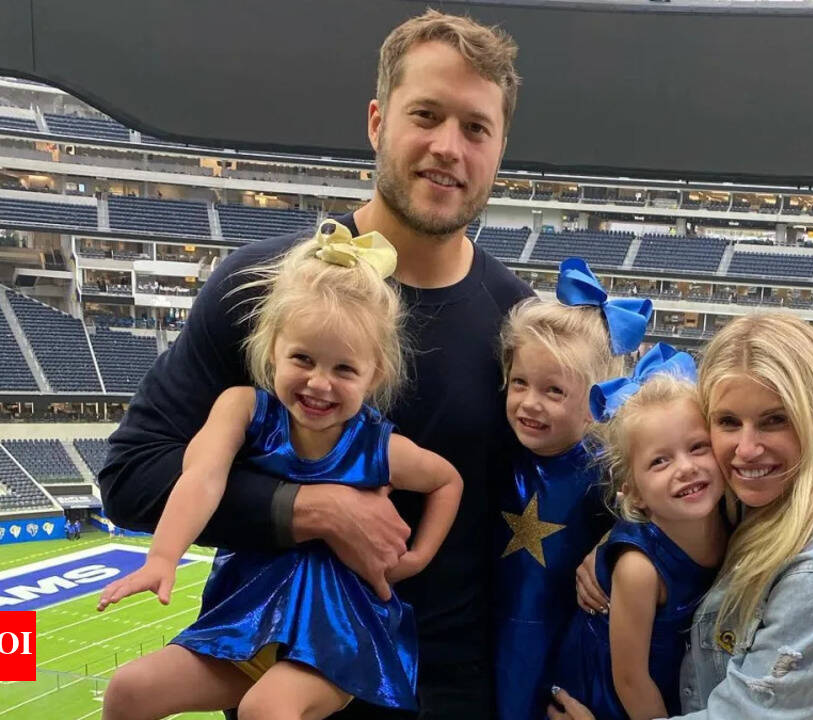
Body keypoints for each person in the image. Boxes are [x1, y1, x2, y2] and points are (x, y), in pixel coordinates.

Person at [96, 10, 530, 719]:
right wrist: (309, 510)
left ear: (500, 147)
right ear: (377, 122)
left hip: (445, 688)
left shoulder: (521, 328)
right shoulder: (261, 286)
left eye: (476, 127)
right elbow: (132, 475)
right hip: (268, 669)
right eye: (425, 115)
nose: (448, 147)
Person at [96, 224, 463, 719]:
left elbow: (446, 480)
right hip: (248, 616)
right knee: (128, 691)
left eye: (344, 369)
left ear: (374, 375)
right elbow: (202, 477)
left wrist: (417, 558)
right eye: (303, 359)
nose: (319, 383)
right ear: (273, 351)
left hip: (341, 631)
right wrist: (163, 557)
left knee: (266, 710)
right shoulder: (242, 409)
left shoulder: (379, 446)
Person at [556, 313, 813, 719]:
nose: (746, 450)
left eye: (775, 420)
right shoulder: (753, 486)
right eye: (727, 422)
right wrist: (615, 543)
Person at [493, 258, 651, 720]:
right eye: (519, 383)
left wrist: (609, 543)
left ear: (596, 400)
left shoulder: (607, 468)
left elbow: (651, 526)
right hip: (492, 634)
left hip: (569, 644)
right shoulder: (497, 449)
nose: (529, 403)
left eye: (554, 392)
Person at [552, 345, 726, 720]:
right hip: (612, 697)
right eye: (660, 461)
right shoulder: (639, 569)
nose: (686, 468)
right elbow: (630, 679)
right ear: (633, 494)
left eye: (698, 447)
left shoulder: (729, 516)